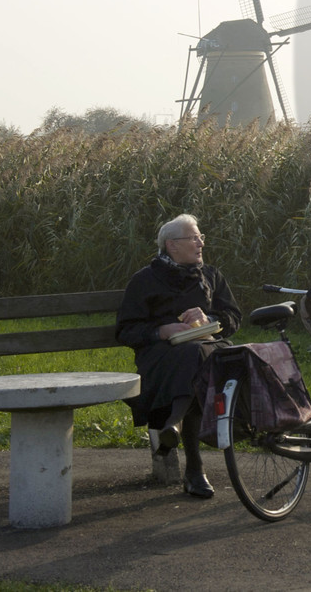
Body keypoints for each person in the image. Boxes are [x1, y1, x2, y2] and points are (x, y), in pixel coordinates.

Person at [115, 213, 242, 498]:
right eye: (193, 238)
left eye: (201, 237)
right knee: (195, 360)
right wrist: (161, 330)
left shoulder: (211, 276)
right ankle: (194, 470)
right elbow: (126, 330)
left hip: (207, 350)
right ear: (171, 245)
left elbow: (233, 316)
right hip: (162, 359)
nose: (200, 244)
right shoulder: (145, 280)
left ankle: (174, 423)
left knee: (200, 356)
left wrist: (209, 317)